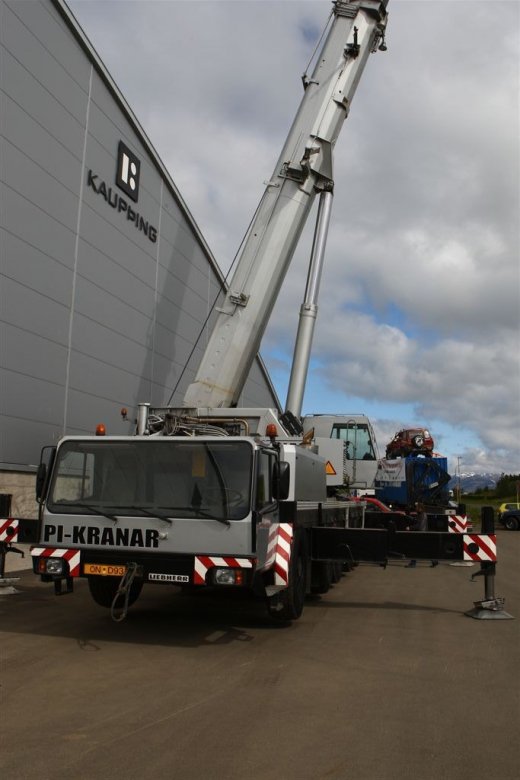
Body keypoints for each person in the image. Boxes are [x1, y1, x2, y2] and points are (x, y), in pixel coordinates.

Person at [406, 502, 438, 568]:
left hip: (420, 534)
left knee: (415, 548)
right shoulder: (421, 514)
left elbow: (419, 526)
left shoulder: (422, 515)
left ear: (420, 508)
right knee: (424, 549)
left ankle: (413, 563)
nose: (415, 508)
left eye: (417, 507)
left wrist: (410, 527)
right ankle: (434, 561)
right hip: (423, 533)